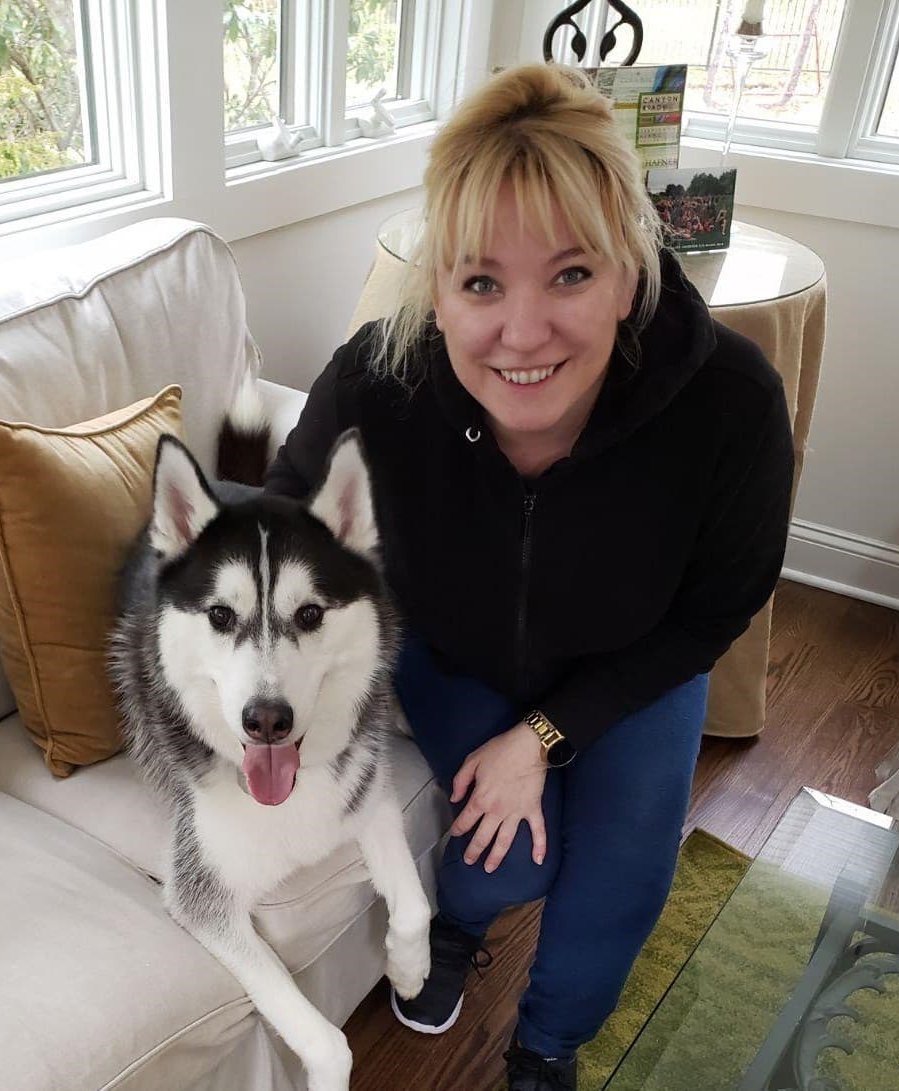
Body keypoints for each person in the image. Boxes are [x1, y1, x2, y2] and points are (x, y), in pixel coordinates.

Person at [264, 63, 794, 1091]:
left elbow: (718, 606)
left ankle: (548, 1040)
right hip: (451, 647)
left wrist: (542, 736)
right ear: (438, 289)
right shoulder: (378, 376)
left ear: (630, 269)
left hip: (638, 657)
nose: (521, 332)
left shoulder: (731, 400)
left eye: (570, 274)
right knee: (506, 858)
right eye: (479, 283)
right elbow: (288, 515)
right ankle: (458, 928)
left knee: (623, 874)